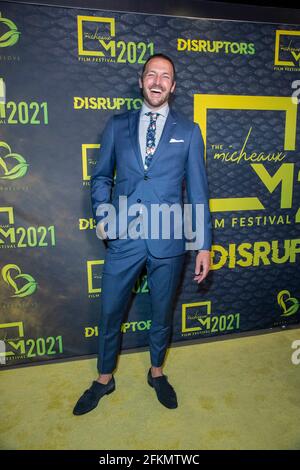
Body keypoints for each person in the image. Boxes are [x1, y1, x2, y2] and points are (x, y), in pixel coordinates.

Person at [73, 53, 212, 415]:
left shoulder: (189, 131)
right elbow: (101, 176)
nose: (157, 81)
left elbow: (197, 192)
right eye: (152, 74)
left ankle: (157, 373)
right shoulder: (118, 124)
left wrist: (204, 245)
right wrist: (104, 217)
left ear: (173, 86)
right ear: (141, 81)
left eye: (165, 76)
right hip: (125, 237)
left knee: (162, 313)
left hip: (169, 240)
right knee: (109, 313)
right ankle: (105, 378)